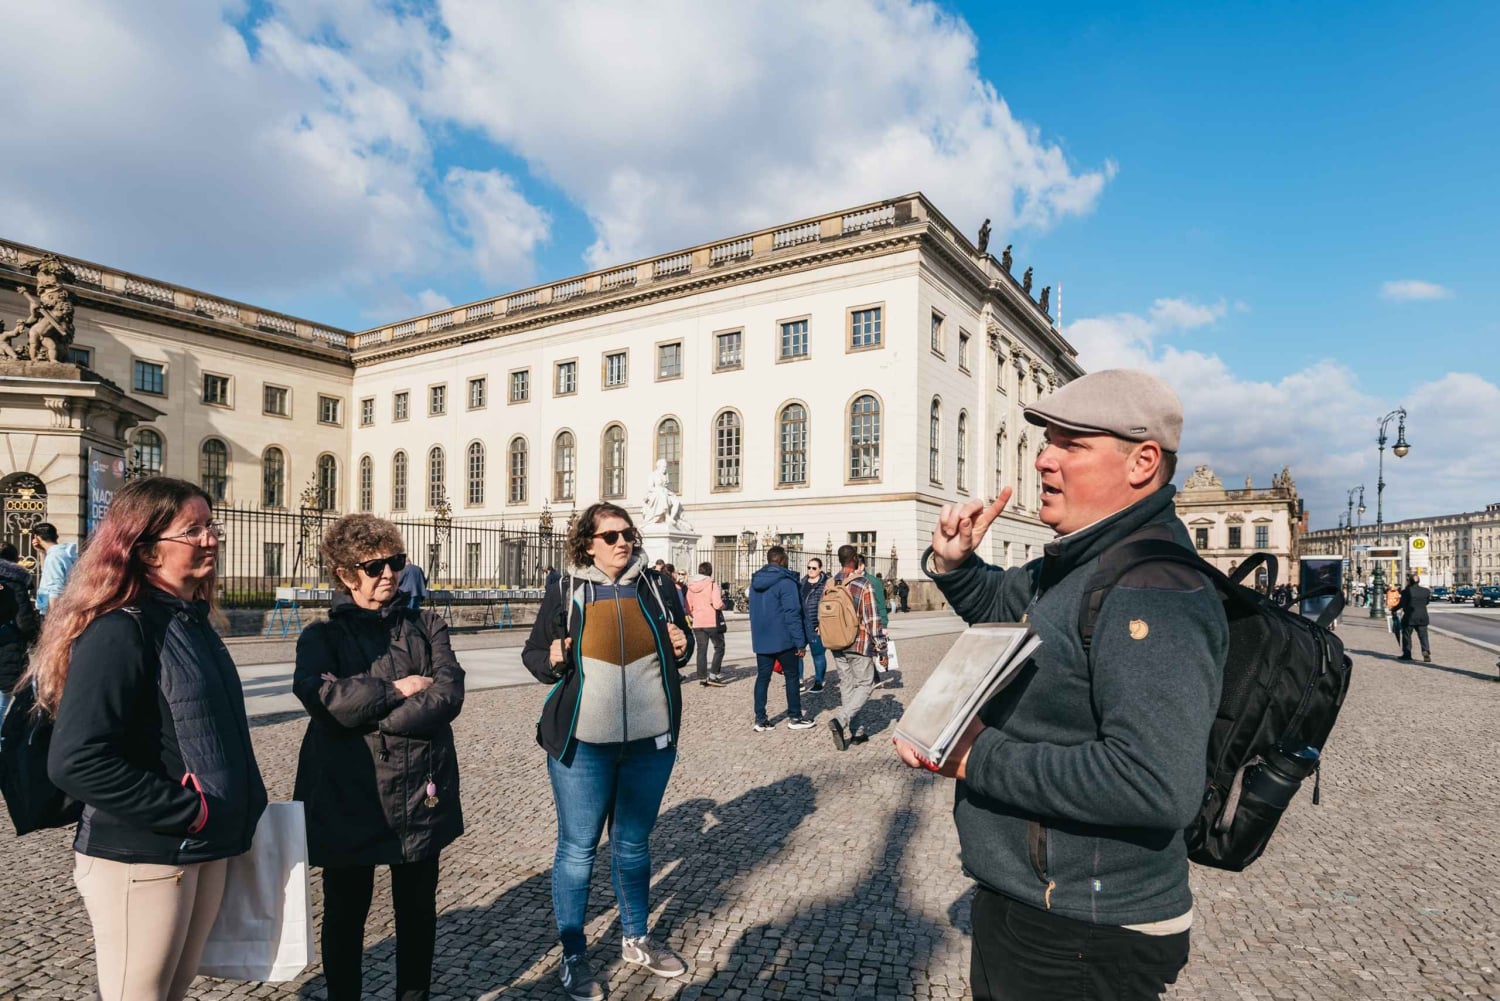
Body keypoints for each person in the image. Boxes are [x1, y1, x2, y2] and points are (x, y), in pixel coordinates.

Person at [896, 369, 1228, 1001]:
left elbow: (1154, 784)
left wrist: (975, 756)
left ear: (1142, 462)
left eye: (1071, 444)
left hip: (1086, 929)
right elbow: (1007, 608)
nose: (1044, 459)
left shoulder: (1151, 587)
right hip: (1037, 903)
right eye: (1049, 441)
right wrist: (956, 563)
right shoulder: (1083, 559)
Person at [31, 476, 267, 1001]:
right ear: (145, 548)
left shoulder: (192, 621)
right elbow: (76, 760)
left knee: (171, 992)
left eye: (211, 526)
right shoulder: (121, 628)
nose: (210, 539)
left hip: (202, 847)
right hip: (143, 854)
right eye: (193, 530)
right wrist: (191, 811)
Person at [521, 502, 693, 1001]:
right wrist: (552, 658)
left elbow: (678, 647)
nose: (623, 543)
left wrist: (682, 645)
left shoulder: (656, 587)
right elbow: (535, 654)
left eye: (628, 534)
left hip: (649, 743)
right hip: (584, 746)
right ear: (588, 543)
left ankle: (636, 938)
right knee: (577, 850)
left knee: (634, 846)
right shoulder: (565, 589)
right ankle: (574, 954)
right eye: (611, 536)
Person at [292, 516, 465, 1001]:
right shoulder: (321, 637)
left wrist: (371, 714)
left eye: (395, 562)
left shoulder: (427, 625)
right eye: (374, 566)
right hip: (351, 792)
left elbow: (448, 695)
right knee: (346, 913)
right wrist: (398, 688)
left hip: (420, 791)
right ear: (345, 574)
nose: (388, 573)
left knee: (417, 911)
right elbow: (326, 700)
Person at [748, 546, 814, 732]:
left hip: (762, 638)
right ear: (782, 560)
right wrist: (800, 642)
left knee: (763, 677)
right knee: (792, 676)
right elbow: (792, 613)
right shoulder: (786, 582)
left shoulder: (755, 582)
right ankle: (795, 716)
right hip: (784, 638)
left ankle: (760, 719)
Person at [827, 545, 884, 751]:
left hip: (836, 642)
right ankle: (841, 720)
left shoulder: (830, 583)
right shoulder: (862, 584)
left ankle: (857, 732)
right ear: (854, 560)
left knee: (847, 686)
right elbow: (872, 619)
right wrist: (881, 647)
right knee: (866, 684)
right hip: (858, 642)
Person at [685, 561, 727, 686]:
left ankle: (702, 677)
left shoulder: (691, 585)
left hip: (698, 622)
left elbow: (688, 605)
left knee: (701, 650)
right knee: (719, 647)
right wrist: (723, 605)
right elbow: (717, 604)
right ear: (710, 571)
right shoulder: (712, 584)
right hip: (711, 621)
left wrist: (694, 614)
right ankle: (713, 675)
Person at [30, 521, 79, 615]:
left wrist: (53, 616)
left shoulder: (54, 557)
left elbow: (55, 587)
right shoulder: (63, 553)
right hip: (66, 607)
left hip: (53, 611)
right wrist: (42, 552)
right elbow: (48, 574)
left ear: (37, 537)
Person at [799, 557, 830, 694]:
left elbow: (828, 605)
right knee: (797, 653)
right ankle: (799, 680)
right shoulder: (802, 583)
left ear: (820, 569)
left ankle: (819, 680)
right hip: (801, 624)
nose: (810, 570)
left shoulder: (826, 584)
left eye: (814, 568)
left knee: (818, 654)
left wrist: (822, 623)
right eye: (809, 567)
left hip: (815, 625)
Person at [1397, 573, 1432, 663]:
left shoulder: (1406, 591)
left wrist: (1393, 609)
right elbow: (1427, 602)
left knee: (1407, 635)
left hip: (1410, 617)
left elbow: (1402, 604)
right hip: (1422, 616)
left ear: (1409, 581)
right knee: (1423, 636)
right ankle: (1425, 650)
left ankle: (1407, 654)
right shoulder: (1426, 591)